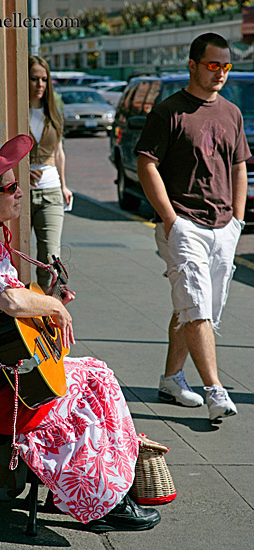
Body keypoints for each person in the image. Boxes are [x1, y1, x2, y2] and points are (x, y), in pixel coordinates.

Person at [0, 135, 161, 532]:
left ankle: (94, 487)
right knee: (95, 382)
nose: (18, 193)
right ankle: (97, 499)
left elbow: (1, 313)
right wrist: (55, 306)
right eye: (9, 188)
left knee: (90, 375)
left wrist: (47, 300)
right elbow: (11, 303)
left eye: (18, 183)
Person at [135, 33, 250, 423]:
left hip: (223, 228)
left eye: (226, 66)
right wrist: (170, 220)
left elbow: (238, 166)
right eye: (212, 65)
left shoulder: (231, 113)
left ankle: (171, 378)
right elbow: (146, 164)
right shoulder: (170, 111)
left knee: (196, 305)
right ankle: (215, 389)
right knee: (197, 306)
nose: (220, 72)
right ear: (193, 65)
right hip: (184, 225)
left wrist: (238, 218)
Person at [28, 55, 73, 290]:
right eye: (34, 79)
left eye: (44, 79)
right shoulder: (14, 113)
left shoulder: (53, 114)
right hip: (18, 195)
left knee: (50, 259)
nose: (40, 85)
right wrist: (21, 170)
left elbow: (59, 152)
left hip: (51, 193)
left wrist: (64, 185)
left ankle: (49, 311)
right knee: (16, 257)